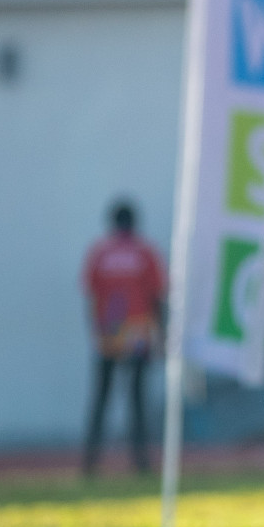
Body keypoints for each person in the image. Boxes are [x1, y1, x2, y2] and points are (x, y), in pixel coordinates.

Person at [82, 200, 168, 476]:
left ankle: (91, 461)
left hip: (110, 330)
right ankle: (141, 461)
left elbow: (92, 295)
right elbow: (158, 296)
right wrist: (162, 335)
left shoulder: (100, 253)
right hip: (138, 331)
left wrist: (97, 331)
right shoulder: (144, 252)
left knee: (102, 398)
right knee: (137, 399)